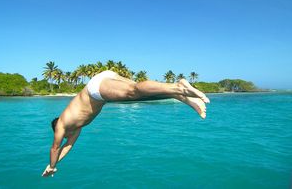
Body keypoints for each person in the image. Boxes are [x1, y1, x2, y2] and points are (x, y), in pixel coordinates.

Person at [42, 70, 210, 177]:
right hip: (104, 82)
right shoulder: (76, 128)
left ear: (57, 129)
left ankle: (179, 87)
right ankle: (181, 96)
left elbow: (56, 148)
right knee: (140, 94)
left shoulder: (62, 125)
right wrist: (53, 166)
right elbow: (67, 148)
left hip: (96, 89)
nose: (67, 139)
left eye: (63, 137)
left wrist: (51, 165)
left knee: (133, 92)